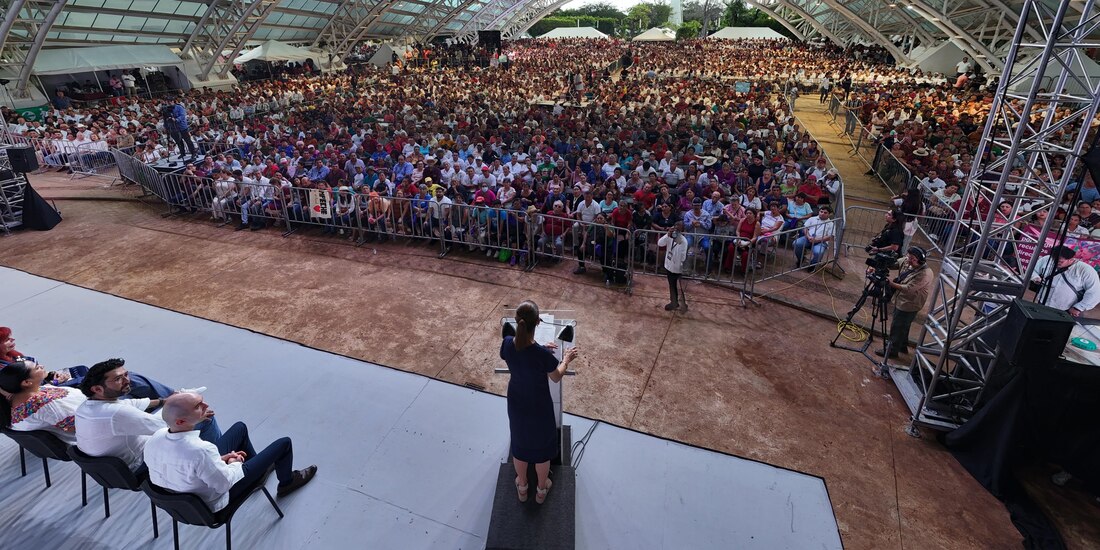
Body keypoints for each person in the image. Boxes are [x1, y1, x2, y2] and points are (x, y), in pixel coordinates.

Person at [143, 392, 317, 512]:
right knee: (284, 443)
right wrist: (234, 464)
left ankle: (259, 470)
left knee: (239, 428)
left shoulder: (156, 437)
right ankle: (286, 483)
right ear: (181, 422)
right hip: (212, 501)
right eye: (198, 406)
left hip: (180, 497)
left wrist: (218, 460)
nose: (205, 405)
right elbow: (224, 484)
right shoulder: (202, 450)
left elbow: (185, 465)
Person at [75, 358, 221, 473]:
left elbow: (130, 404)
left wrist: (165, 400)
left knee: (138, 390)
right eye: (118, 379)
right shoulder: (116, 414)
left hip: (109, 467)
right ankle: (220, 462)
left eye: (126, 375)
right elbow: (168, 424)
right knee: (204, 417)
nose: (127, 380)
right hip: (137, 465)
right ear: (97, 389)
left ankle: (174, 396)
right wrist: (185, 407)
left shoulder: (86, 406)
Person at [500, 301, 580, 505]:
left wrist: (537, 347)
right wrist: (566, 359)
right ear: (538, 322)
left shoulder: (508, 343)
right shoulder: (542, 355)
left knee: (519, 443)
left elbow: (520, 352)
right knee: (542, 451)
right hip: (539, 406)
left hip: (517, 402)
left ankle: (523, 486)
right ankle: (542, 489)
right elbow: (556, 376)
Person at [0, 326, 173, 398]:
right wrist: (51, 383)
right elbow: (28, 390)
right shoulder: (6, 373)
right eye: (7, 340)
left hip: (48, 386)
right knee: (123, 379)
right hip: (54, 391)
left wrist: (52, 375)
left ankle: (170, 397)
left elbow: (36, 377)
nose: (12, 340)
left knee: (88, 371)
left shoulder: (15, 357)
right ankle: (171, 398)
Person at [0, 360, 86, 444]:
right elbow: (76, 427)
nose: (42, 366)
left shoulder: (15, 397)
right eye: (37, 368)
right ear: (26, 382)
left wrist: (55, 382)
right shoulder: (45, 405)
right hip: (86, 432)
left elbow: (43, 388)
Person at [876, 246, 933, 361]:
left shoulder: (925, 274)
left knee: (898, 326)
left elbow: (908, 288)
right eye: (908, 256)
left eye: (912, 259)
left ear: (920, 260)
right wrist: (881, 262)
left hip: (910, 303)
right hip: (901, 299)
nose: (908, 260)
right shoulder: (907, 261)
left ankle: (892, 351)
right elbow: (895, 263)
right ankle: (902, 346)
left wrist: (890, 283)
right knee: (904, 326)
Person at [1031, 246, 1100, 317]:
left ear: (1071, 259)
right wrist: (1036, 277)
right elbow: (1032, 270)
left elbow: (1095, 292)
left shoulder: (1085, 270)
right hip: (1042, 302)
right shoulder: (1047, 259)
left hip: (1066, 310)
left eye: (1060, 261)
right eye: (1054, 259)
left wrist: (1078, 308)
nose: (1055, 262)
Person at [658, 222, 689, 311]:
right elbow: (660, 243)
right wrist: (667, 235)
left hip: (677, 267)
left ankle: (677, 303)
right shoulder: (670, 236)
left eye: (678, 228)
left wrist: (677, 242)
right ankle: (674, 302)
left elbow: (682, 257)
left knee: (677, 286)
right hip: (668, 265)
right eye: (675, 227)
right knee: (672, 285)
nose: (676, 230)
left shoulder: (683, 241)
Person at [794, 206, 835, 271]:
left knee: (818, 252)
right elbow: (805, 228)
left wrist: (817, 240)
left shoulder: (831, 224)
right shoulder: (812, 219)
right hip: (808, 238)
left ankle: (812, 265)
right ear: (819, 212)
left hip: (821, 242)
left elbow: (830, 236)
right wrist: (808, 236)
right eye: (821, 212)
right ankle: (800, 259)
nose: (822, 213)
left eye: (825, 212)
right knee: (796, 243)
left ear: (829, 214)